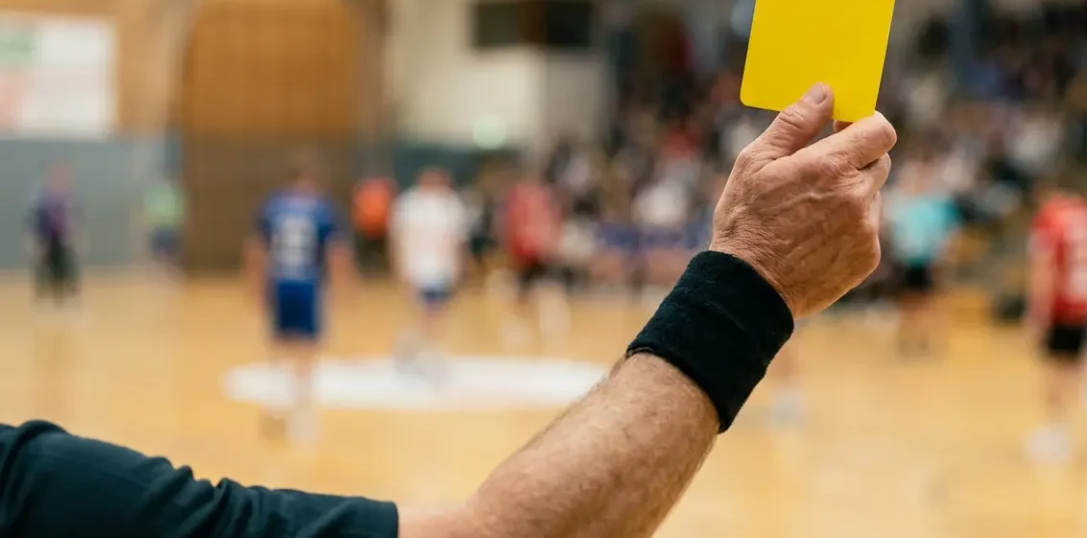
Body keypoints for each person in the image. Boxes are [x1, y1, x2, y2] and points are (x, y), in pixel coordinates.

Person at [0, 84, 896, 538]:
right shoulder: (29, 488)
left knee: (325, 337)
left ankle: (341, 378)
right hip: (355, 284)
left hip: (367, 282)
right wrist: (751, 284)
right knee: (317, 338)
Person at [245, 158, 356, 441]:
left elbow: (257, 249)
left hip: (280, 280)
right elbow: (336, 252)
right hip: (307, 282)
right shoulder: (322, 209)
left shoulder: (273, 206)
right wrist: (343, 286)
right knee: (307, 345)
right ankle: (302, 406)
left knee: (279, 341)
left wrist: (255, 285)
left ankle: (275, 399)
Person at [1025, 177, 1087, 462]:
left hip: (1061, 305)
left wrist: (1037, 313)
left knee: (1054, 369)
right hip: (1086, 301)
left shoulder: (1050, 220)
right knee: (1077, 364)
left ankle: (1057, 434)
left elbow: (1045, 268)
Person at [389, 167, 468, 372]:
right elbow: (399, 239)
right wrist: (400, 268)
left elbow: (457, 241)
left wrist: (458, 268)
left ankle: (427, 351)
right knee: (425, 312)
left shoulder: (450, 204)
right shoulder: (409, 204)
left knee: (436, 312)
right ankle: (416, 349)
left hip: (441, 268)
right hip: (416, 267)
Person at [885, 156, 960, 355]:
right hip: (905, 261)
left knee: (929, 303)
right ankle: (907, 342)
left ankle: (927, 342)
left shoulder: (935, 205)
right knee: (907, 303)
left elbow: (948, 233)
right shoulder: (900, 203)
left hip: (928, 261)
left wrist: (945, 256)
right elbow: (891, 229)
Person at [501, 164, 565, 345]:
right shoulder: (519, 198)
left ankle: (550, 326)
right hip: (525, 251)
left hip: (538, 250)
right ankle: (520, 327)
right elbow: (512, 225)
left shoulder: (545, 198)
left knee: (547, 289)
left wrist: (550, 245)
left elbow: (552, 223)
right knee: (525, 291)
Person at [26, 161, 82, 308]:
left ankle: (65, 297)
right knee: (43, 266)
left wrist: (74, 235)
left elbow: (73, 219)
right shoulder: (41, 198)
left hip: (62, 239)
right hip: (45, 239)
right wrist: (33, 240)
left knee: (65, 267)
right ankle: (42, 296)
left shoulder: (69, 198)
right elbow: (33, 220)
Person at [142, 176, 186, 276]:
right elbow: (148, 210)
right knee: (158, 251)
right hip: (158, 226)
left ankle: (170, 270)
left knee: (171, 250)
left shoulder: (176, 194)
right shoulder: (154, 194)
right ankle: (158, 270)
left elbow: (180, 210)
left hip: (171, 226)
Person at [352, 175, 395, 277]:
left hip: (380, 230)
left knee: (380, 255)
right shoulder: (364, 192)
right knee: (367, 255)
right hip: (367, 230)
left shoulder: (385, 192)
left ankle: (382, 272)